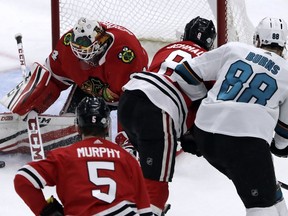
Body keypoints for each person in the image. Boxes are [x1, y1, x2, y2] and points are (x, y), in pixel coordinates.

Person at [176, 17, 288, 216]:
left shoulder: (234, 48)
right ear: (284, 44)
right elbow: (283, 137)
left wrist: (204, 104)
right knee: (262, 205)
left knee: (271, 192)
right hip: (247, 145)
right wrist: (278, 147)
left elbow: (183, 72)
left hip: (205, 134)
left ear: (257, 39)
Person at [117, 16, 216, 215]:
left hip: (129, 98)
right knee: (156, 184)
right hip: (160, 111)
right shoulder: (211, 61)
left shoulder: (167, 49)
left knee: (139, 169)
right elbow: (206, 106)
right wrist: (196, 136)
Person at [14, 96, 153, 216]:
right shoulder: (127, 157)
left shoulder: (64, 155)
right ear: (106, 127)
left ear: (78, 127)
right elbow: (145, 208)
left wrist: (47, 211)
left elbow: (23, 178)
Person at [2, 17, 148, 118]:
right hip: (92, 88)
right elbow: (51, 77)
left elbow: (133, 101)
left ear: (100, 44)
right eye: (79, 54)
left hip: (126, 94)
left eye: (89, 56)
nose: (85, 61)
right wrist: (28, 106)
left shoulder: (126, 55)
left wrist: (127, 140)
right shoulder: (67, 46)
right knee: (72, 122)